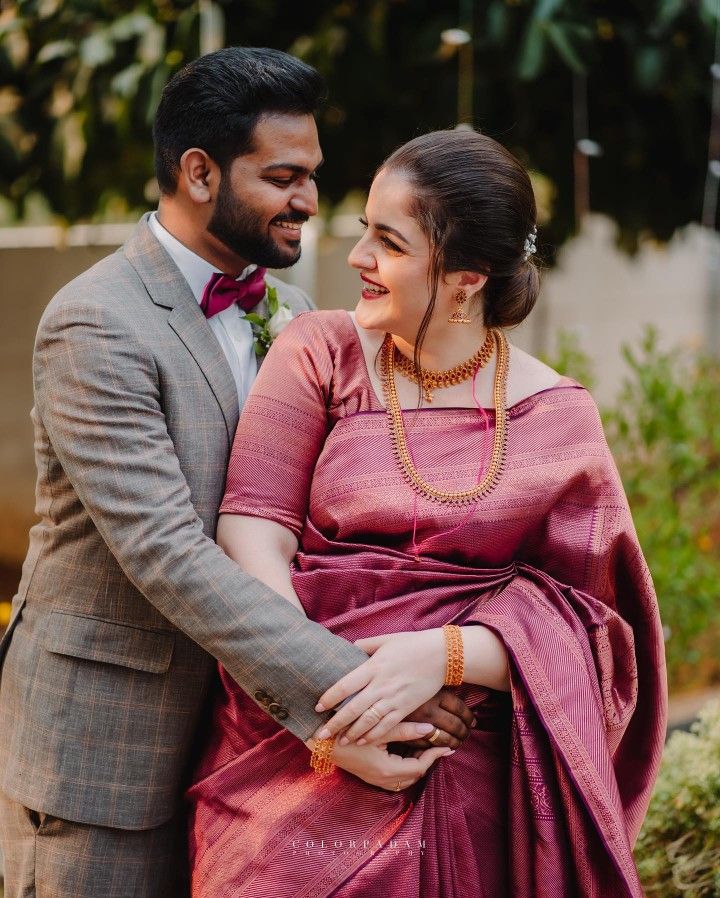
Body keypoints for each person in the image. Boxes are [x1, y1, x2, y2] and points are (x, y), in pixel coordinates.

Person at [0, 49, 471, 898]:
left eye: (313, 175)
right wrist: (358, 694)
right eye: (283, 176)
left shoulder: (290, 318)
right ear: (198, 172)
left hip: (248, 740)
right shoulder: (95, 323)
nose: (308, 202)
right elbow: (166, 552)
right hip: (106, 746)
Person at [187, 129, 668, 897]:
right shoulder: (321, 353)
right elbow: (251, 534)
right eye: (363, 229)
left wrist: (442, 656)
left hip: (468, 780)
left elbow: (600, 634)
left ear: (465, 279)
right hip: (287, 763)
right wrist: (330, 706)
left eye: (389, 241)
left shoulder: (556, 417)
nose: (356, 257)